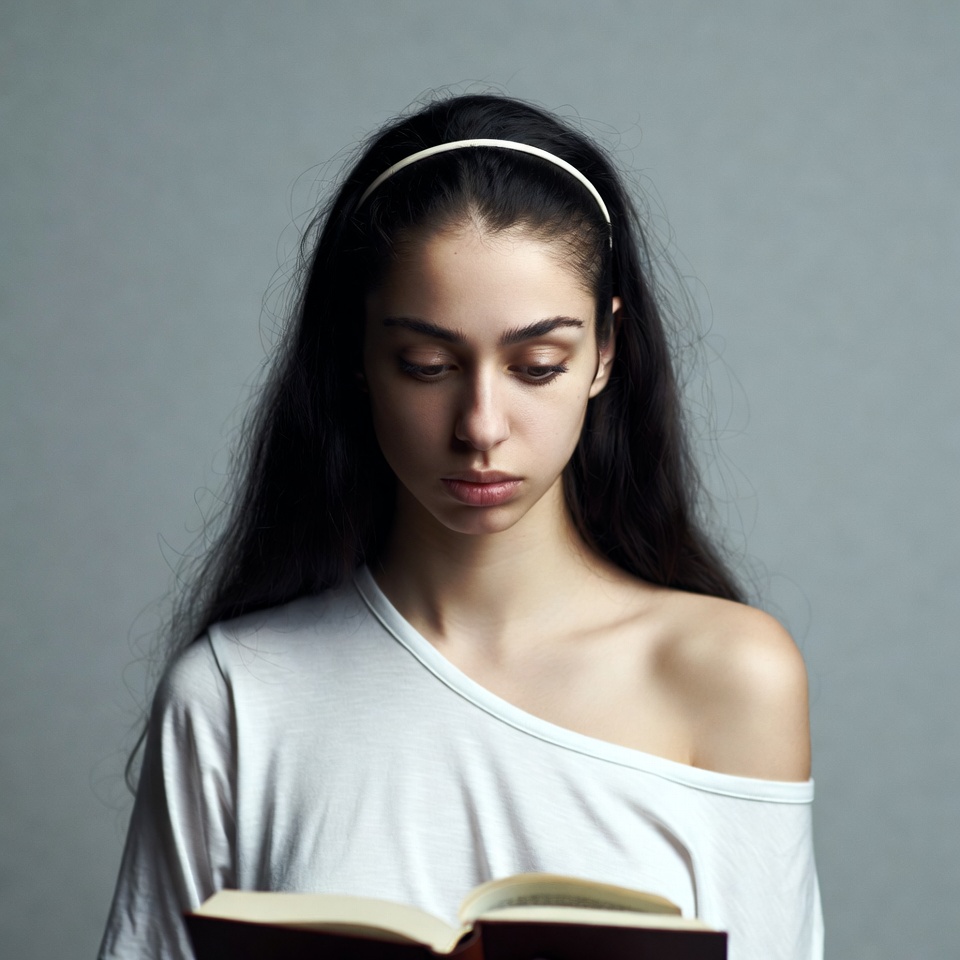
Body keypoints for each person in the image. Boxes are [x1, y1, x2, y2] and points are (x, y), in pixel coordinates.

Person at [99, 93, 822, 960]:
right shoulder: (234, 696)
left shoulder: (729, 677)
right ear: (358, 355)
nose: (481, 426)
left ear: (605, 352)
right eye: (427, 365)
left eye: (537, 366)